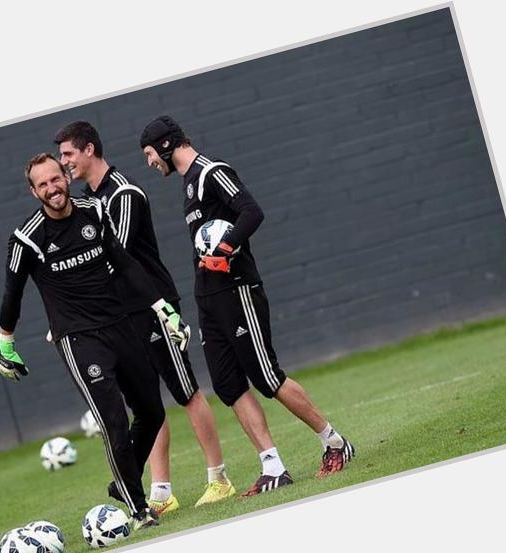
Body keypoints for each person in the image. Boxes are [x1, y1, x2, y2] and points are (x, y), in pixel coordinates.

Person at [139, 116, 355, 496]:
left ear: (167, 145)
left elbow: (251, 211)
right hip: (209, 297)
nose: (150, 162)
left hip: (237, 289)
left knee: (267, 376)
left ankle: (335, 443)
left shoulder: (211, 171)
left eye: (150, 153)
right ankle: (273, 467)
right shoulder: (189, 184)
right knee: (227, 384)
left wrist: (225, 248)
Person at [0, 152, 190, 528]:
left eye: (56, 178)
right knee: (114, 421)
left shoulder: (94, 211)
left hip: (121, 325)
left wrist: (163, 308)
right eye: (43, 184)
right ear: (34, 191)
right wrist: (6, 343)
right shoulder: (27, 238)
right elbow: (11, 294)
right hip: (79, 340)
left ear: (65, 177)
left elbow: (126, 263)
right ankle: (138, 509)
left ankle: (124, 479)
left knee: (153, 411)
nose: (53, 188)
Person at [54, 121, 235, 514]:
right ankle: (161, 493)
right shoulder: (87, 200)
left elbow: (109, 260)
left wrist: (75, 309)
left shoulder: (125, 194)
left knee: (185, 391)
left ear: (88, 150)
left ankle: (219, 478)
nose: (63, 162)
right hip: (121, 317)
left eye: (68, 154)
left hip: (153, 309)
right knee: (146, 405)